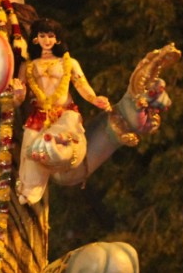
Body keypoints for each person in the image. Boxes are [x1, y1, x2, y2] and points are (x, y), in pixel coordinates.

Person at [15, 18, 111, 206]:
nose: (47, 40)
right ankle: (29, 192)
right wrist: (18, 94)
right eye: (42, 36)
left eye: (51, 36)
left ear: (57, 39)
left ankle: (57, 149)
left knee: (62, 137)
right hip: (39, 116)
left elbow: (82, 86)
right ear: (36, 39)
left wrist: (94, 99)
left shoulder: (69, 63)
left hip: (65, 114)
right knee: (29, 152)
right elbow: (19, 97)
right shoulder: (28, 66)